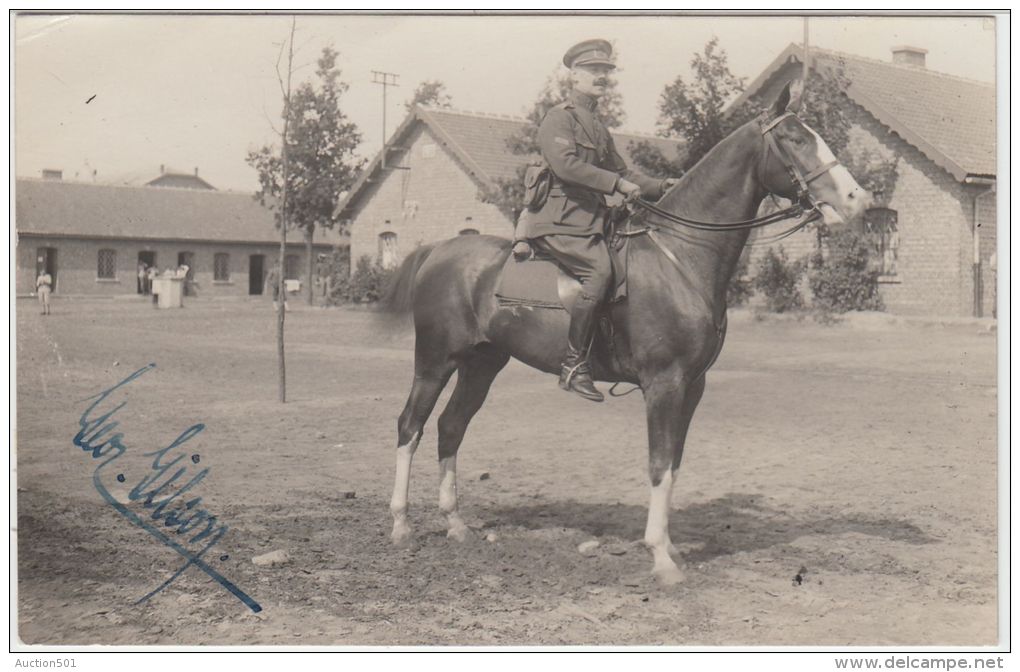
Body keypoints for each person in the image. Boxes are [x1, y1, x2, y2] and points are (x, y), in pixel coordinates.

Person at [517, 39, 678, 402]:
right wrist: (615, 184)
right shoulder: (560, 117)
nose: (602, 77)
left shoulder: (597, 125)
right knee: (599, 272)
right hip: (558, 221)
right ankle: (574, 364)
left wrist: (662, 185)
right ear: (574, 75)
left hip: (590, 221)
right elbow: (566, 166)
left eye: (606, 71)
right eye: (594, 70)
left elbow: (624, 171)